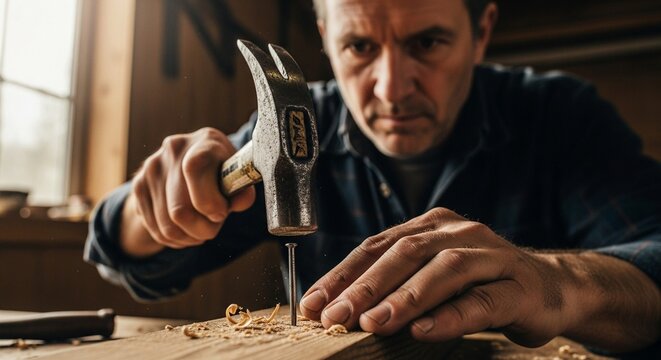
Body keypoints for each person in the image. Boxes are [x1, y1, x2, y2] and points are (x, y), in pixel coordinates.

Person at [84, 0, 661, 355]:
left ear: (481, 31)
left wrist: (554, 280)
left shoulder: (560, 116)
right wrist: (154, 207)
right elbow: (120, 252)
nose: (391, 88)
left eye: (427, 43)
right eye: (359, 46)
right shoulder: (296, 120)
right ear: (324, 33)